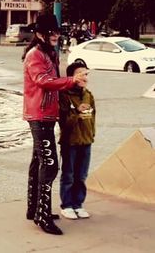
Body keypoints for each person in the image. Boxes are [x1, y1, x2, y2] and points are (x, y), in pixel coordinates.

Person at [22, 13, 88, 235]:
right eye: (52, 32)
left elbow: (51, 82)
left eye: (57, 32)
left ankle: (35, 210)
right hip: (39, 116)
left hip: (46, 115)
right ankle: (42, 215)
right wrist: (72, 81)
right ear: (40, 34)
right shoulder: (35, 55)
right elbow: (44, 81)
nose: (56, 35)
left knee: (38, 163)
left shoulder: (49, 53)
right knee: (50, 166)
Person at [58, 62, 95, 220]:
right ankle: (66, 205)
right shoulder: (64, 95)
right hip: (70, 142)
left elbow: (92, 118)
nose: (84, 77)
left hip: (86, 141)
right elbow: (63, 122)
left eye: (86, 74)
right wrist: (76, 113)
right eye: (81, 74)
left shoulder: (88, 95)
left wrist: (91, 134)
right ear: (72, 77)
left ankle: (78, 204)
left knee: (81, 175)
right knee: (69, 175)